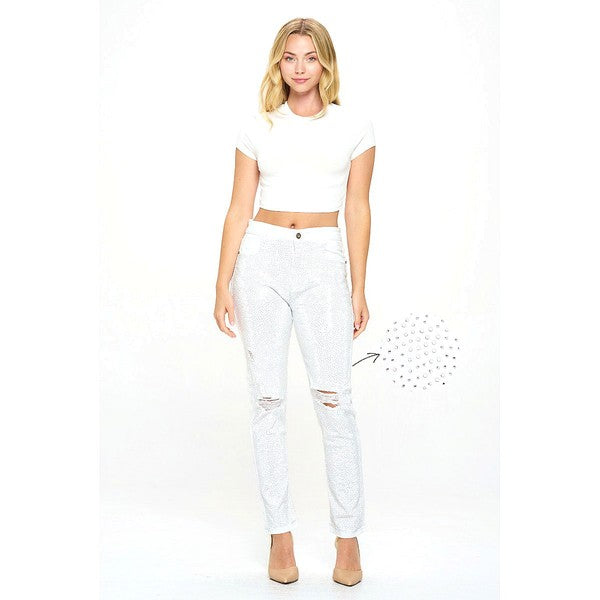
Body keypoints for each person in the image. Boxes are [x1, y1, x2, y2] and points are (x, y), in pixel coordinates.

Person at [213, 17, 375, 587]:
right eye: (289, 57)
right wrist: (222, 281)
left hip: (323, 260)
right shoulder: (258, 126)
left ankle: (348, 538)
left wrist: (358, 286)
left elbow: (357, 206)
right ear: (278, 64)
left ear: (325, 62)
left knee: (335, 400)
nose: (300, 68)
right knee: (267, 400)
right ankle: (279, 535)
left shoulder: (354, 126)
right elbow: (239, 206)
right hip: (260, 259)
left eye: (310, 57)